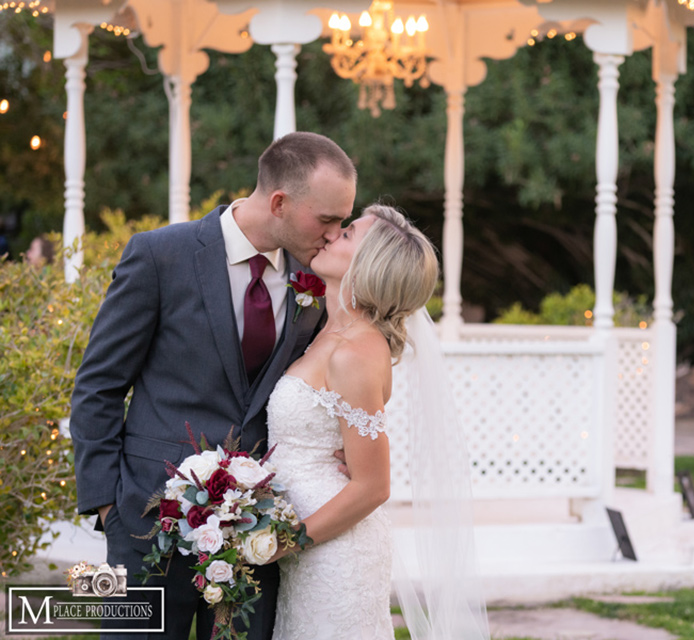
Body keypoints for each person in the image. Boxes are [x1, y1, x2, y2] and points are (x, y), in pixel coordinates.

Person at [70, 132, 356, 639]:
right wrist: (107, 507)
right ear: (279, 202)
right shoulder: (160, 256)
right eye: (327, 220)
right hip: (144, 525)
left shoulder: (316, 280)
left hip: (256, 540)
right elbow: (99, 384)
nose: (335, 235)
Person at [265, 204, 489, 640]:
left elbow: (373, 485)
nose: (331, 236)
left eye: (347, 234)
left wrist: (284, 542)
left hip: (332, 553)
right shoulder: (325, 332)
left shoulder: (356, 350)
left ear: (369, 266)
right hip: (310, 547)